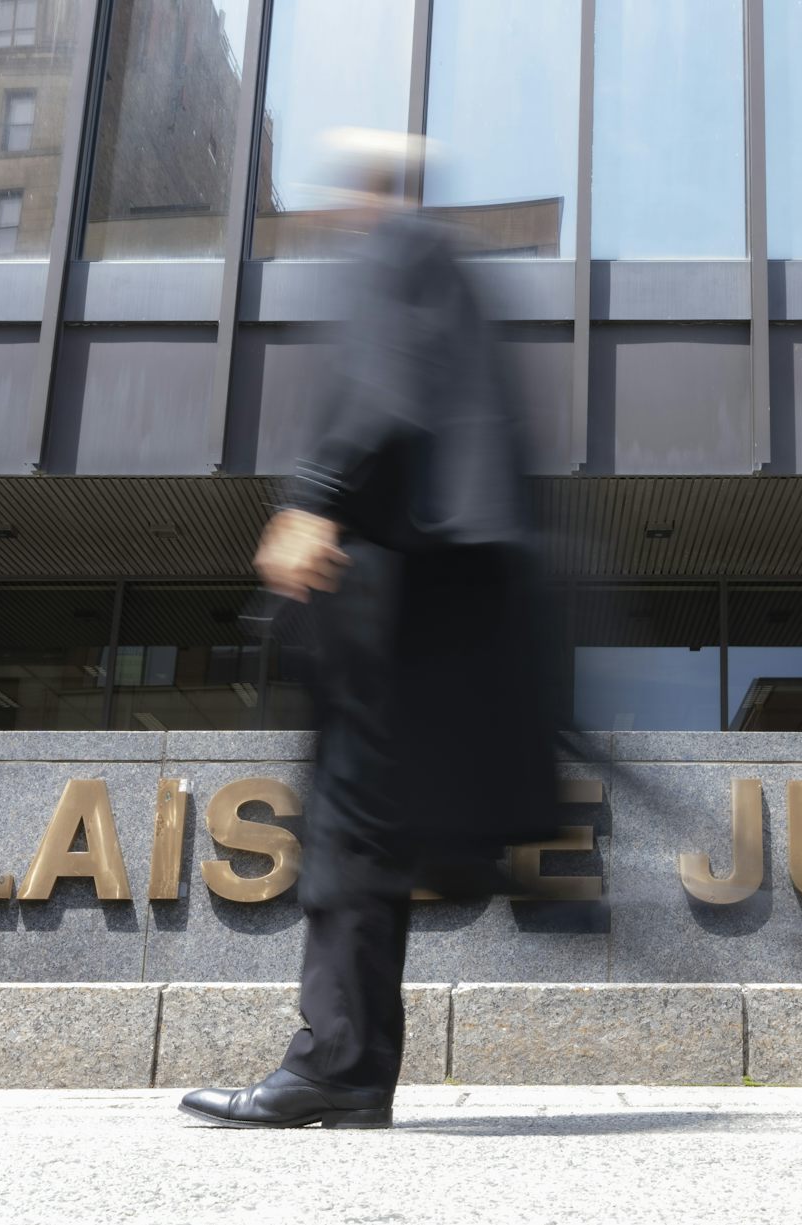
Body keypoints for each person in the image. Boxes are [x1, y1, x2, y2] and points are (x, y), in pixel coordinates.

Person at [180, 130, 565, 1130]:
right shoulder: (447, 266)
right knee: (361, 843)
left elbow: (384, 390)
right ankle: (343, 1067)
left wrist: (312, 498)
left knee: (349, 839)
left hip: (389, 605)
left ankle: (339, 1068)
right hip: (426, 611)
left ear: (367, 192)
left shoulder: (400, 253)